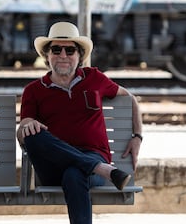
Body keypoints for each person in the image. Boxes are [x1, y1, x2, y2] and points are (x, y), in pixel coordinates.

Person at [16, 21, 142, 224]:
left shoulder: (95, 78)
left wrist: (137, 137)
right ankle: (102, 169)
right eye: (56, 49)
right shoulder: (33, 90)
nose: (63, 55)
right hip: (53, 166)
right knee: (31, 135)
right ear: (47, 56)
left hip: (91, 157)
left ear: (79, 56)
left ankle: (94, 166)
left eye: (70, 50)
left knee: (75, 173)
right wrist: (26, 126)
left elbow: (131, 99)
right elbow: (24, 128)